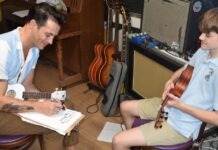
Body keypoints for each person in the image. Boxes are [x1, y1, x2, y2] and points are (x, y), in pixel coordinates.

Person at [112, 7, 218, 150]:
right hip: (171, 107)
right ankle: (137, 143)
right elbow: (184, 70)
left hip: (181, 125)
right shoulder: (203, 50)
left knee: (118, 141)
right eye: (201, 33)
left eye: (207, 35)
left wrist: (182, 107)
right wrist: (170, 81)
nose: (200, 38)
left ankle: (133, 140)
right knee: (125, 107)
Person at [0, 2, 78, 150]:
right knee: (53, 126)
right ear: (33, 25)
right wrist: (38, 106)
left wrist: (48, 98)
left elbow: (27, 86)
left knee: (67, 107)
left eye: (53, 37)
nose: (50, 42)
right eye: (48, 35)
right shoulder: (3, 48)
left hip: (12, 98)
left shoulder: (34, 49)